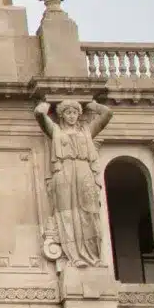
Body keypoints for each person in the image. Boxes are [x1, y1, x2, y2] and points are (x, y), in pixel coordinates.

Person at [36, 98, 113, 267]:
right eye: (67, 113)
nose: (72, 116)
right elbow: (40, 114)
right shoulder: (55, 131)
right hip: (63, 170)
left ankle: (92, 256)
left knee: (89, 212)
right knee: (66, 214)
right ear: (61, 115)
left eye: (75, 113)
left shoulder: (87, 131)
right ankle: (73, 256)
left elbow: (107, 113)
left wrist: (90, 104)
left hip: (84, 169)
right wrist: (49, 101)